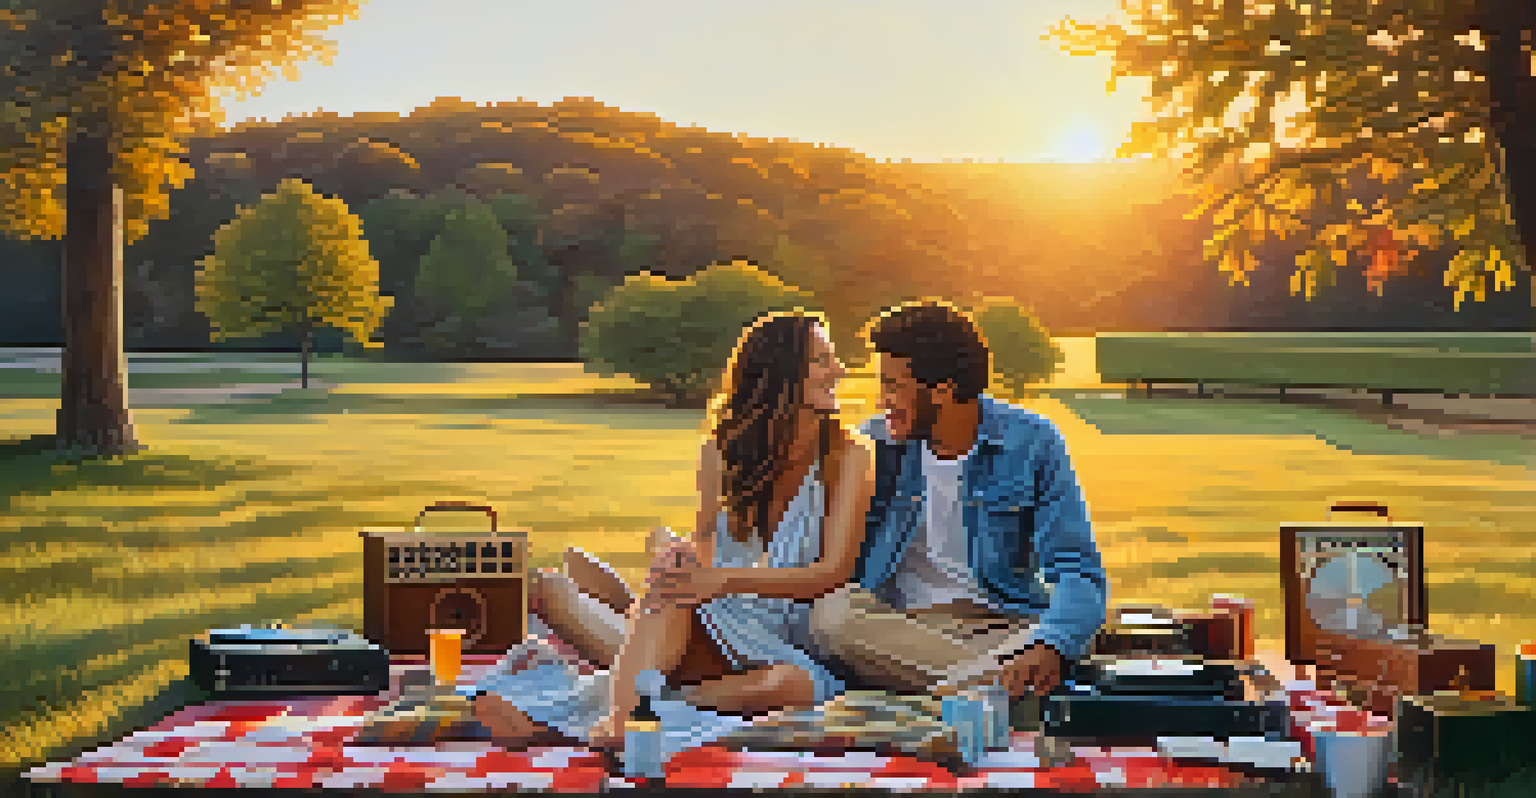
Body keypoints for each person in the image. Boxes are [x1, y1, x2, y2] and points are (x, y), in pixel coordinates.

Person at [472, 310, 876, 750]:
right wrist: (680, 556)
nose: (838, 370)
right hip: (716, 620)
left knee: (791, 686)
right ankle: (625, 718)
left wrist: (721, 578)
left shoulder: (848, 456)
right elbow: (704, 551)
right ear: (781, 370)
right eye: (822, 359)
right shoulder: (721, 451)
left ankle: (644, 703)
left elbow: (833, 573)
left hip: (785, 638)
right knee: (669, 583)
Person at [808, 300, 1109, 701]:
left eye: (893, 385)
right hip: (901, 630)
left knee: (1066, 638)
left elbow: (1079, 571)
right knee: (831, 616)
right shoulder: (873, 446)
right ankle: (998, 693)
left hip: (1005, 627)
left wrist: (1050, 644)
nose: (882, 401)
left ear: (943, 390)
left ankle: (954, 692)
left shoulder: (1032, 442)